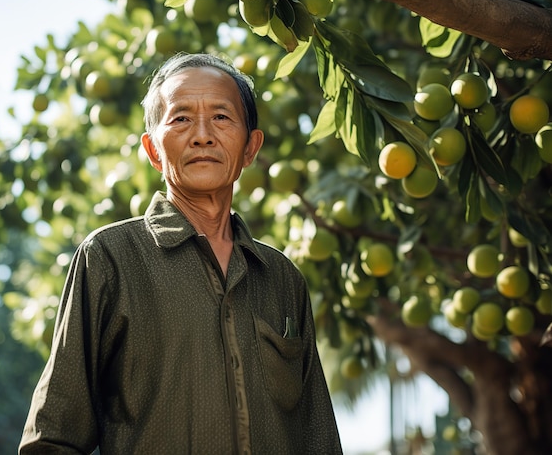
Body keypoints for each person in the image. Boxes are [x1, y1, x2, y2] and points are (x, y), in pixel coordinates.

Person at [19, 52, 343, 454]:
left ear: (250, 147)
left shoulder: (281, 277)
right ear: (153, 150)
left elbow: (318, 438)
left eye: (222, 117)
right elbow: (53, 437)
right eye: (181, 118)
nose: (202, 135)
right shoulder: (109, 258)